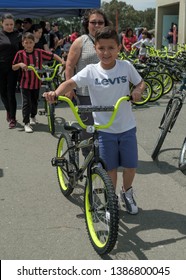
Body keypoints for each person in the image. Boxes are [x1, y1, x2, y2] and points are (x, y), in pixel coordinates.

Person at [43, 26, 146, 215]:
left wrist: (138, 90)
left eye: (111, 48)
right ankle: (111, 198)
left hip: (126, 127)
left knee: (130, 167)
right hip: (104, 129)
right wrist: (55, 93)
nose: (106, 53)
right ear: (96, 49)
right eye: (102, 48)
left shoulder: (125, 66)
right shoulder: (91, 70)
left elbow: (140, 82)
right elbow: (70, 83)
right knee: (110, 169)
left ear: (118, 48)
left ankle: (127, 192)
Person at [65, 8, 110, 156]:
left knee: (105, 127)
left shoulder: (108, 41)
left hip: (106, 92)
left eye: (100, 22)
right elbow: (70, 66)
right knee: (88, 129)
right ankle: (88, 158)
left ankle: (101, 155)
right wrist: (69, 89)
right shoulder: (80, 42)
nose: (97, 25)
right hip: (85, 93)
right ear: (87, 24)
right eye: (93, 22)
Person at [12, 32, 63, 133]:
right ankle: (26, 123)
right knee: (27, 103)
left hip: (36, 83)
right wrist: (20, 64)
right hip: (25, 83)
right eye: (26, 43)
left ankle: (33, 116)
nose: (28, 45)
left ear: (34, 43)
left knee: (34, 102)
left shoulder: (39, 52)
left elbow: (52, 55)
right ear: (23, 43)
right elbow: (13, 67)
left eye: (30, 42)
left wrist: (62, 61)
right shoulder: (20, 54)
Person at [0, 13, 22, 128]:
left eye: (11, 24)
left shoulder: (18, 35)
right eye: (7, 24)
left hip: (13, 68)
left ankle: (12, 118)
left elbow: (26, 49)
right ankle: (8, 110)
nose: (9, 26)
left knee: (10, 92)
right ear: (1, 24)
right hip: (0, 67)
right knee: (2, 92)